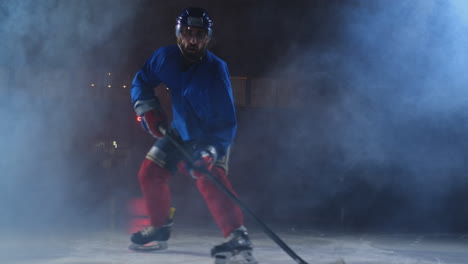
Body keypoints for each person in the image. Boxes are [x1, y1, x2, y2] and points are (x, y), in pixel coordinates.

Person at [129, 7, 256, 263]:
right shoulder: (165, 58)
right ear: (179, 34)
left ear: (207, 38)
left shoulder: (215, 70)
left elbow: (226, 122)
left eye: (199, 35)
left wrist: (210, 151)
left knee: (209, 176)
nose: (193, 40)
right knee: (150, 172)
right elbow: (141, 81)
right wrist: (149, 110)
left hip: (210, 136)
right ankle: (160, 228)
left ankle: (237, 236)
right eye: (188, 33)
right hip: (180, 131)